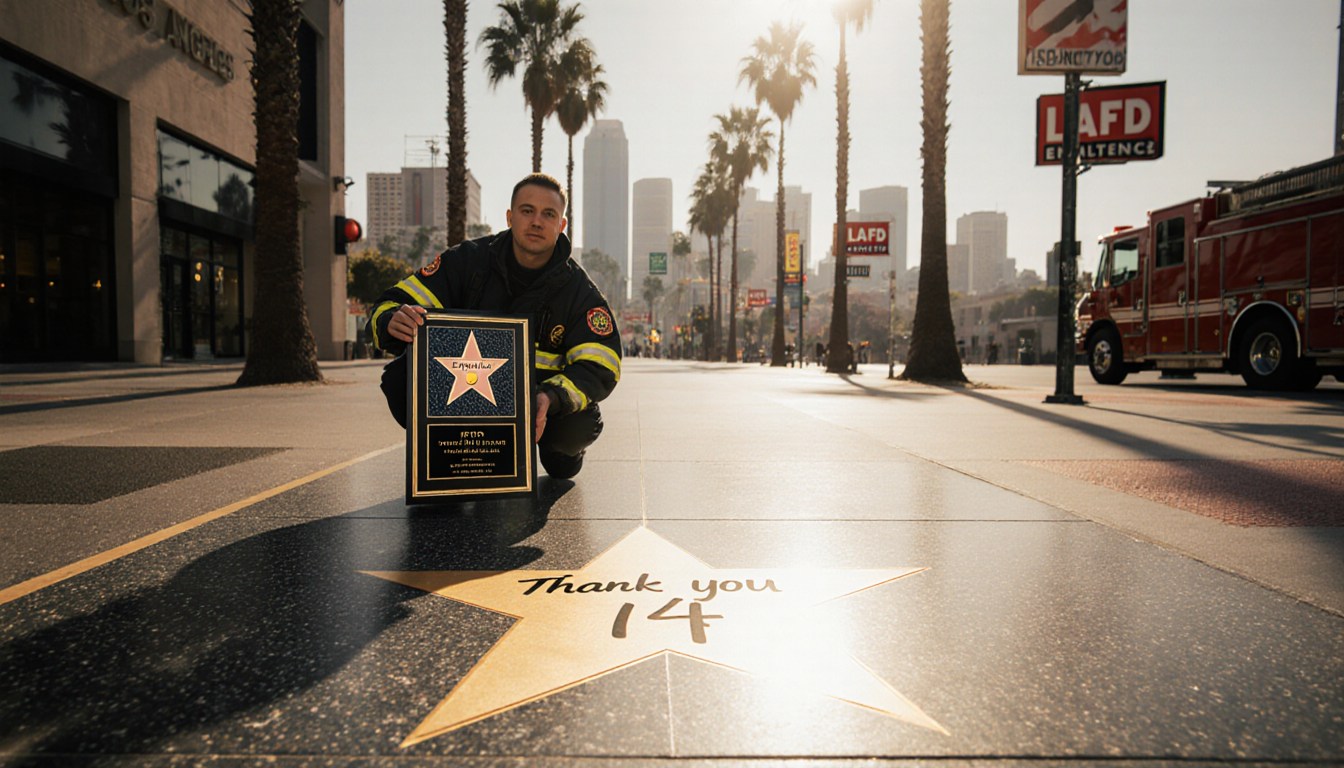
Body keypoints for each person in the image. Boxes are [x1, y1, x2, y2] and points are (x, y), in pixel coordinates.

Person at [367, 173, 620, 480]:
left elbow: (600, 363)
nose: (537, 222)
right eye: (527, 211)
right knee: (400, 379)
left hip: (541, 404)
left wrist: (550, 399)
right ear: (510, 217)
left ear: (561, 226)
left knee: (575, 427)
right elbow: (392, 302)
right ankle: (455, 457)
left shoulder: (581, 293)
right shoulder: (467, 262)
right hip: (466, 395)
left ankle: (562, 455)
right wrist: (392, 319)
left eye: (549, 214)